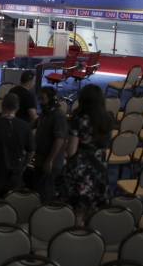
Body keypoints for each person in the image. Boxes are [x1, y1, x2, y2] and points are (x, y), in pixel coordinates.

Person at [58, 84, 113, 222]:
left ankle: (78, 242)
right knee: (94, 211)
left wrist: (65, 142)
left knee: (78, 213)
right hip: (99, 167)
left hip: (81, 170)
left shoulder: (79, 119)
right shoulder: (108, 118)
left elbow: (71, 151)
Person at [33, 86, 68, 200]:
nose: (40, 102)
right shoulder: (45, 113)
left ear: (51, 98)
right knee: (41, 187)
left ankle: (48, 212)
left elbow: (59, 140)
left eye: (43, 98)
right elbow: (32, 124)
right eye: (39, 99)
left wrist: (50, 161)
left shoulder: (58, 116)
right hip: (41, 159)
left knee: (45, 191)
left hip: (50, 162)